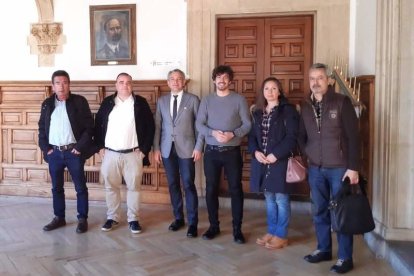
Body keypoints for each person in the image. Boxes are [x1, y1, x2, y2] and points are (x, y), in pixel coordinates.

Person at [298, 63, 360, 274]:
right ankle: (324, 249)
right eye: (312, 78)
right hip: (316, 168)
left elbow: (354, 137)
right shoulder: (305, 105)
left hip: (340, 169)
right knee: (319, 211)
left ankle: (345, 257)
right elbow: (301, 135)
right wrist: (307, 154)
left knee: (341, 214)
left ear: (329, 80)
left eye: (320, 78)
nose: (316, 82)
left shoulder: (342, 102)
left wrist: (353, 167)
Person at [196, 65, 252, 244]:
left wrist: (232, 134)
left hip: (232, 152)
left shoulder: (239, 99)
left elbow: (247, 125)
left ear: (230, 81)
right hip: (211, 152)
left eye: (225, 78)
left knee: (236, 189)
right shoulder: (206, 100)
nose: (221, 81)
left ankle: (237, 229)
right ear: (214, 80)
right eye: (218, 78)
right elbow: (199, 125)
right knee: (211, 189)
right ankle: (214, 226)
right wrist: (213, 133)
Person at [95, 72, 155, 234]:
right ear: (116, 85)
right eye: (121, 82)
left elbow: (150, 127)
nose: (125, 85)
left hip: (133, 155)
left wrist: (144, 150)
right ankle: (112, 217)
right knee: (111, 187)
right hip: (110, 154)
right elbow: (98, 124)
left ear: (132, 85)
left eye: (128, 82)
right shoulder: (108, 102)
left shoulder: (140, 103)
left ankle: (133, 219)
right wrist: (100, 147)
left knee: (134, 187)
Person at [38, 70, 95, 234]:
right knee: (56, 188)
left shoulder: (79, 102)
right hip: (54, 153)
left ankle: (82, 219)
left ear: (69, 84)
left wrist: (79, 147)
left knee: (80, 187)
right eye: (58, 83)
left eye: (64, 83)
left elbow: (89, 128)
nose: (61, 86)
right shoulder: (47, 104)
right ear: (53, 86)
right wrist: (46, 148)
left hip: (73, 152)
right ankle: (59, 218)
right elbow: (42, 128)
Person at [248, 77, 299, 250]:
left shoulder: (288, 111)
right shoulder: (257, 112)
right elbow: (252, 137)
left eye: (273, 88)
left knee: (281, 199)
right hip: (261, 161)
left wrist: (276, 154)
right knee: (269, 198)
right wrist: (255, 152)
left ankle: (281, 235)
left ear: (279, 91)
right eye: (266, 88)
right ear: (263, 92)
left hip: (280, 161)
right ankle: (272, 231)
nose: (270, 92)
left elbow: (292, 137)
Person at [153, 69, 203, 238]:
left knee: (188, 184)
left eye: (179, 79)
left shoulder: (193, 99)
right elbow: (158, 126)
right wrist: (157, 148)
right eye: (172, 79)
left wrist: (198, 147)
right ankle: (178, 218)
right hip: (167, 148)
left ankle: (193, 222)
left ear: (184, 82)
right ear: (168, 82)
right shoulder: (162, 101)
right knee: (173, 184)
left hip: (188, 148)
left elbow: (199, 126)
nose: (175, 82)